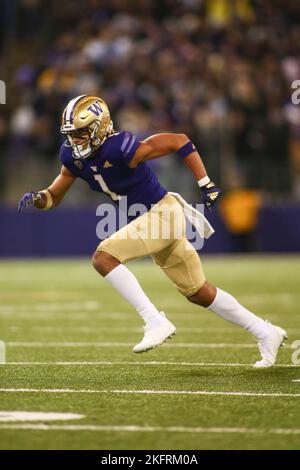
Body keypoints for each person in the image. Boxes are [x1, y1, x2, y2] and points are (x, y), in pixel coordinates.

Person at [18, 94, 287, 367]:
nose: (75, 140)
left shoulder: (119, 147)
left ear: (100, 127)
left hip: (162, 213)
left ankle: (154, 320)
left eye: (81, 133)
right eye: (71, 134)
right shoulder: (72, 157)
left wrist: (205, 183)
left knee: (104, 257)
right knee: (199, 292)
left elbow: (179, 140)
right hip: (149, 219)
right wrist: (39, 198)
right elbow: (54, 195)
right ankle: (266, 332)